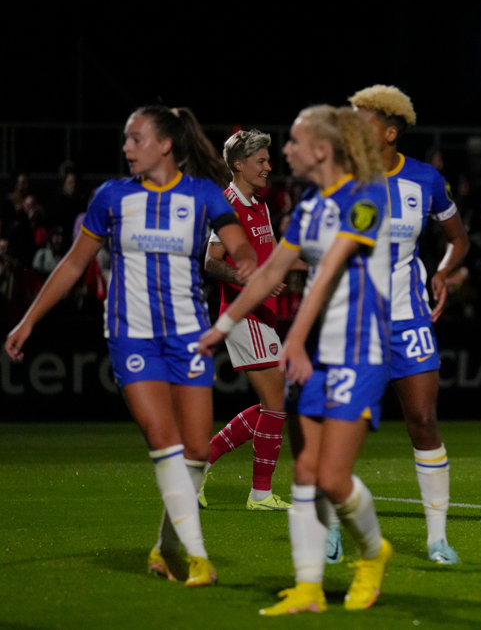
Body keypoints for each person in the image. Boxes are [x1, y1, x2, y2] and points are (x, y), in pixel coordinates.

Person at [5, 105, 257, 586]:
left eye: (135, 138)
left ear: (165, 144)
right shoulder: (111, 197)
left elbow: (237, 244)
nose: (125, 147)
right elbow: (74, 265)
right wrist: (28, 320)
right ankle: (196, 555)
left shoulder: (202, 193)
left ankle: (165, 548)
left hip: (189, 336)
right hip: (131, 336)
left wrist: (245, 260)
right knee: (164, 441)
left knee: (197, 451)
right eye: (125, 138)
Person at [198, 105, 393, 614]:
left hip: (357, 348)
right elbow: (267, 273)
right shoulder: (307, 208)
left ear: (323, 150)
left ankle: (373, 553)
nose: (284, 152)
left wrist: (297, 338)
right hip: (316, 347)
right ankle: (309, 588)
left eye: (295, 142)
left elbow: (328, 271)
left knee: (330, 476)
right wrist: (221, 326)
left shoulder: (367, 198)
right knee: (306, 470)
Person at [350, 85, 470, 564]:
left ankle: (437, 539)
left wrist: (442, 271)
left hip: (409, 317)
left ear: (390, 130)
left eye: (360, 118)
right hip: (355, 321)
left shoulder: (425, 180)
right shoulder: (341, 177)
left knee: (422, 421)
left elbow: (458, 239)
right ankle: (338, 524)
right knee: (345, 427)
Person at [199, 129, 305, 511]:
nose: (268, 166)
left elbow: (276, 256)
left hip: (263, 316)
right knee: (276, 403)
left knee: (270, 404)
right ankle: (259, 494)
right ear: (239, 165)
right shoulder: (226, 205)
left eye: (268, 159)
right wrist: (255, 280)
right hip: (244, 314)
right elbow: (211, 261)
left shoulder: (259, 205)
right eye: (260, 160)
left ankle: (197, 465)